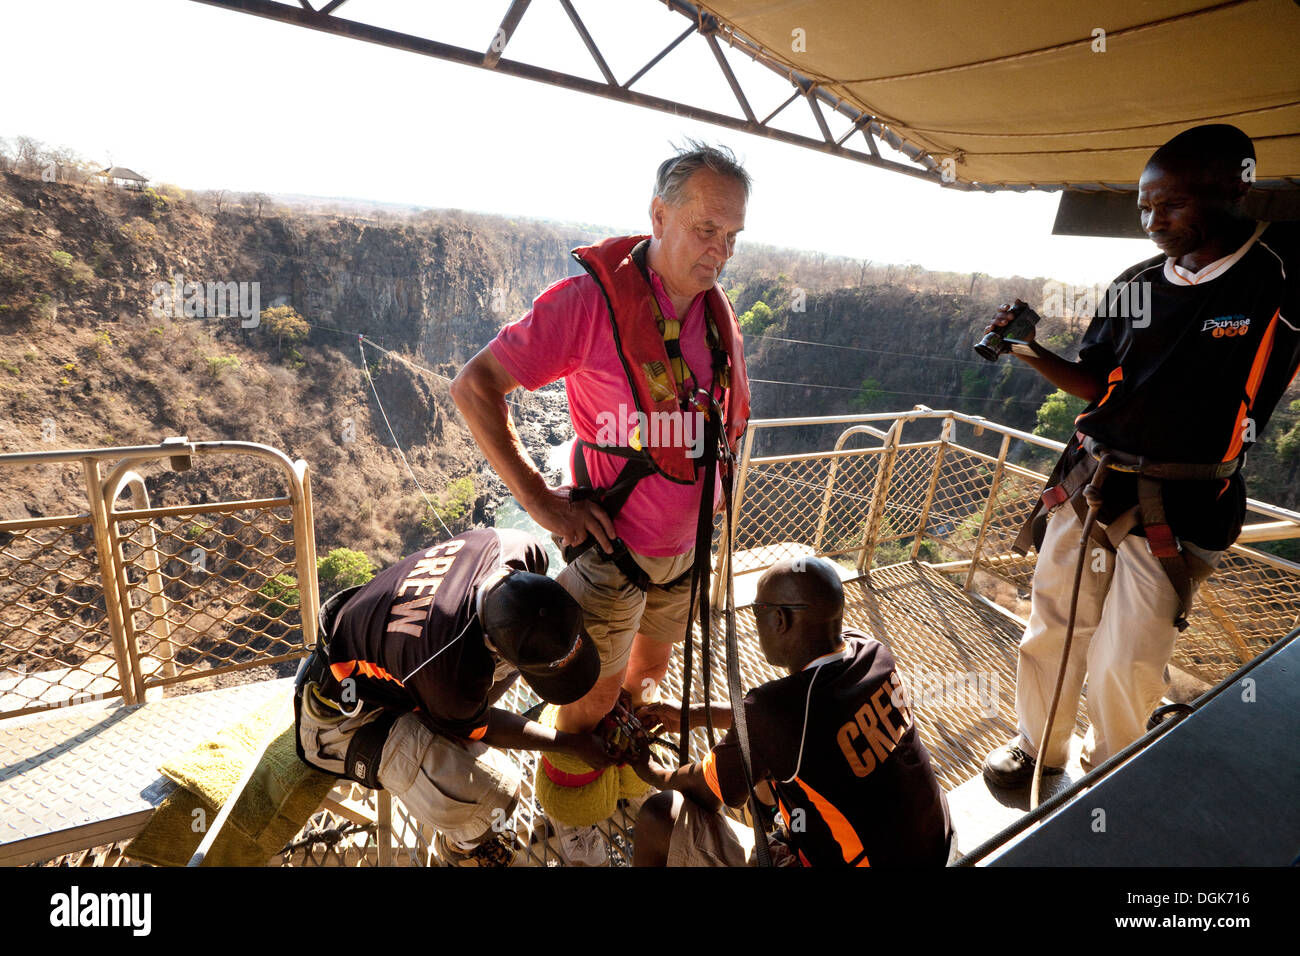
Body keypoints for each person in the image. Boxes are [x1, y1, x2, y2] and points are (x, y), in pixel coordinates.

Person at [450, 143, 751, 862]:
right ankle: (568, 816)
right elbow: (474, 386)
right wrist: (540, 501)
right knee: (587, 701)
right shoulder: (587, 305)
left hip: (686, 554)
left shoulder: (714, 317)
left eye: (733, 237)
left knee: (646, 683)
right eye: (707, 230)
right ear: (658, 214)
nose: (720, 252)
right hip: (615, 555)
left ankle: (621, 788)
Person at [982, 124, 1300, 788]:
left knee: (1129, 654)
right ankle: (1038, 746)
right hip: (1090, 477)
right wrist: (1029, 349)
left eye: (1171, 205)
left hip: (1182, 503)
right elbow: (1100, 381)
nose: (1154, 222)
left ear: (1234, 186)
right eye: (1145, 208)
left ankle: (1113, 773)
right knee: (1053, 625)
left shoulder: (1279, 274)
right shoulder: (1136, 281)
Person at [294, 527, 610, 867]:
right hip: (347, 714)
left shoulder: (517, 548)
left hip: (384, 648)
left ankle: (450, 723)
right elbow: (482, 724)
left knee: (469, 702)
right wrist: (571, 743)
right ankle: (463, 849)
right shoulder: (447, 671)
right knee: (497, 796)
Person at [628, 557, 954, 867]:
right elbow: (790, 724)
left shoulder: (774, 709)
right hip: (936, 844)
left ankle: (783, 832)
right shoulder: (872, 652)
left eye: (758, 612)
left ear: (780, 619)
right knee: (767, 764)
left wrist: (647, 765)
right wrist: (695, 714)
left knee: (660, 815)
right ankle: (782, 822)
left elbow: (708, 791)